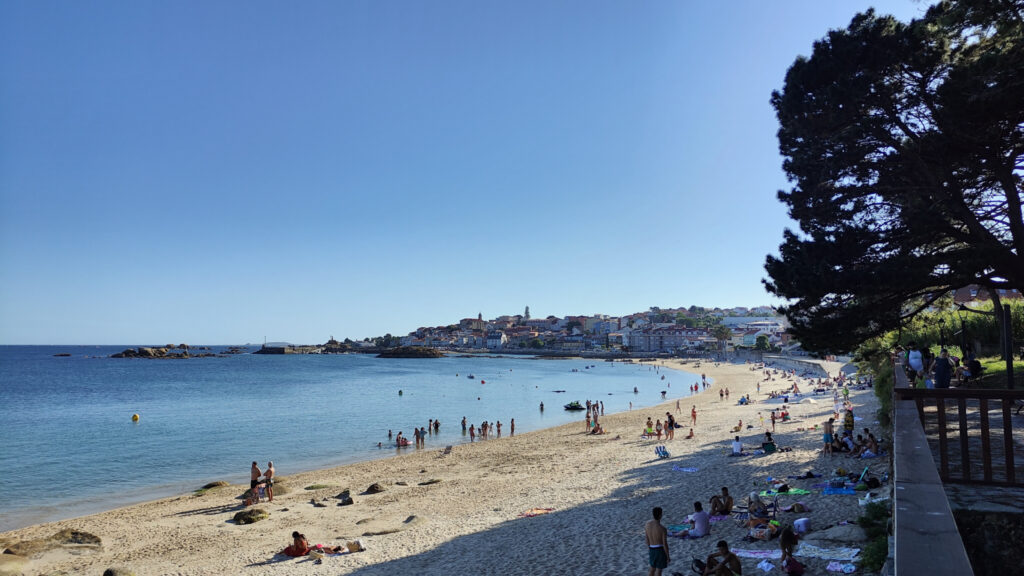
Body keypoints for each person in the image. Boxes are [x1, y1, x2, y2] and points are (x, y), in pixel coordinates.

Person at [645, 506, 670, 576]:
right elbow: (665, 544)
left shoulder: (647, 524)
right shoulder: (662, 529)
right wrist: (668, 556)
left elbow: (646, 538)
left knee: (652, 569)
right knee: (659, 571)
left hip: (651, 549)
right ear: (660, 515)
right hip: (660, 551)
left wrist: (649, 549)